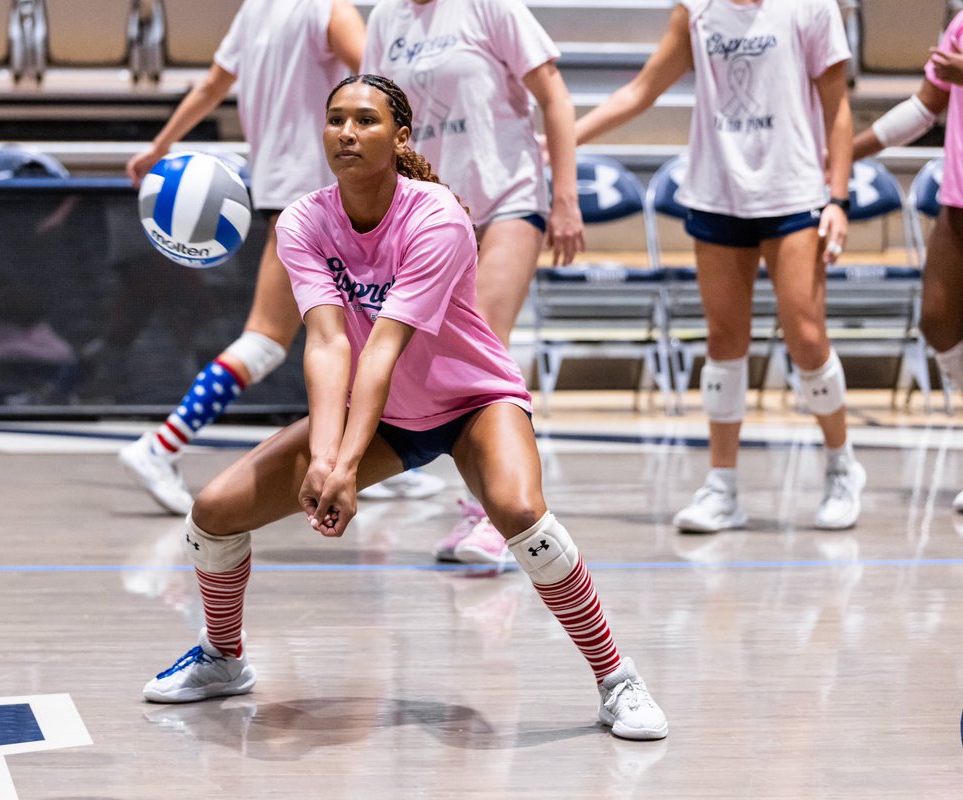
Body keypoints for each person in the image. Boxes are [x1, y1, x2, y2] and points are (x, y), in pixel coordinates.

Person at [140, 75, 668, 741]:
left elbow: (385, 346)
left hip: (473, 400)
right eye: (335, 119)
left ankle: (617, 679)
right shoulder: (303, 221)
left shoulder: (436, 216)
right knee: (214, 513)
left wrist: (342, 466)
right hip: (386, 415)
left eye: (366, 120)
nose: (347, 132)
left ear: (401, 136)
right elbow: (328, 343)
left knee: (521, 514)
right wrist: (326, 459)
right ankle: (223, 656)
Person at [575, 0, 866, 533]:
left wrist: (839, 198)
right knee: (723, 339)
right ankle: (722, 487)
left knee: (806, 336)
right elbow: (641, 90)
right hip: (716, 192)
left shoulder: (810, 8)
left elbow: (837, 107)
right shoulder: (696, 10)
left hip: (793, 191)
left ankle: (841, 465)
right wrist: (560, 141)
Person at [359, 0, 586, 566]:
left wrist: (564, 196)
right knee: (441, 362)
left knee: (483, 344)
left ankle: (489, 517)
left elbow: (554, 96)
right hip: (428, 211)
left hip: (506, 195)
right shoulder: (386, 18)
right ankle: (485, 502)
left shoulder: (490, 7)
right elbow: (371, 115)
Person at [116, 0, 366, 514]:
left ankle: (359, 461)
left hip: (280, 191)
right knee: (293, 339)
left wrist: (160, 146)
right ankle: (159, 447)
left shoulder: (255, 11)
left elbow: (212, 86)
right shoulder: (329, 10)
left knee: (334, 336)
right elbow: (382, 86)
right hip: (327, 191)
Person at [853, 11, 963, 515]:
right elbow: (924, 108)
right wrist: (845, 153)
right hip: (956, 203)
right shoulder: (960, 26)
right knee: (937, 319)